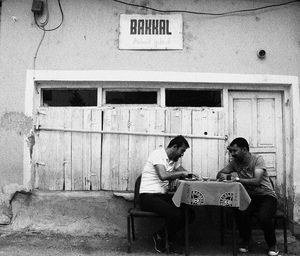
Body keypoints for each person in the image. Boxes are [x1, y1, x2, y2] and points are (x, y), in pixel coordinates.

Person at [217, 137, 279, 256]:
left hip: (266, 196)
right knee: (239, 211)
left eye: (235, 151)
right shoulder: (235, 163)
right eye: (231, 151)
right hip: (250, 196)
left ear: (244, 149)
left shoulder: (257, 160)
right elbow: (220, 173)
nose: (232, 154)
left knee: (264, 217)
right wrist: (223, 176)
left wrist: (237, 179)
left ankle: (272, 244)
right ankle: (246, 240)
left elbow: (256, 181)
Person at [139, 135, 195, 253]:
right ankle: (168, 242)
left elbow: (184, 172)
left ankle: (160, 235)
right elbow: (163, 175)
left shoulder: (174, 161)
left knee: (188, 213)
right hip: (147, 197)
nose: (182, 154)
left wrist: (193, 177)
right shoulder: (158, 155)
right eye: (182, 151)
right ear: (174, 147)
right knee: (175, 214)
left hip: (161, 196)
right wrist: (182, 173)